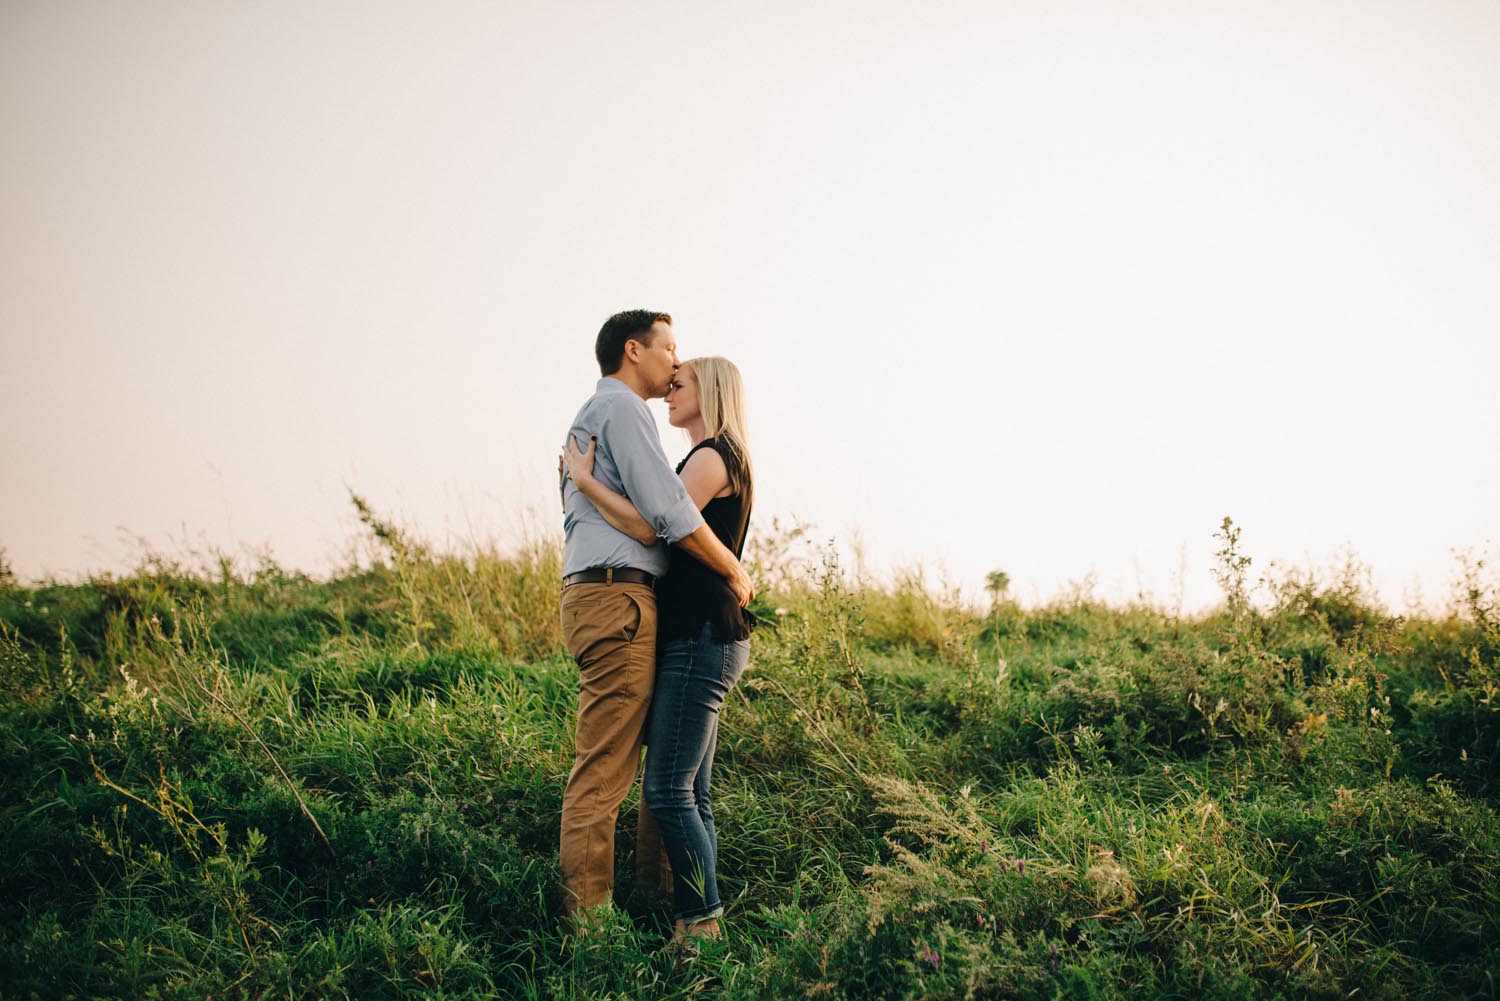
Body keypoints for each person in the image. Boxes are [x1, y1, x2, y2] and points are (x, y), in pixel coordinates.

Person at [557, 311, 754, 924]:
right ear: (634, 350)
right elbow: (663, 518)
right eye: (670, 349)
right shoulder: (620, 413)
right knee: (632, 775)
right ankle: (596, 926)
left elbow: (654, 519)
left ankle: (669, 908)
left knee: (673, 785)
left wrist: (588, 484)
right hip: (621, 600)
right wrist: (734, 568)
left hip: (650, 611)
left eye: (685, 366)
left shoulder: (629, 427)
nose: (674, 364)